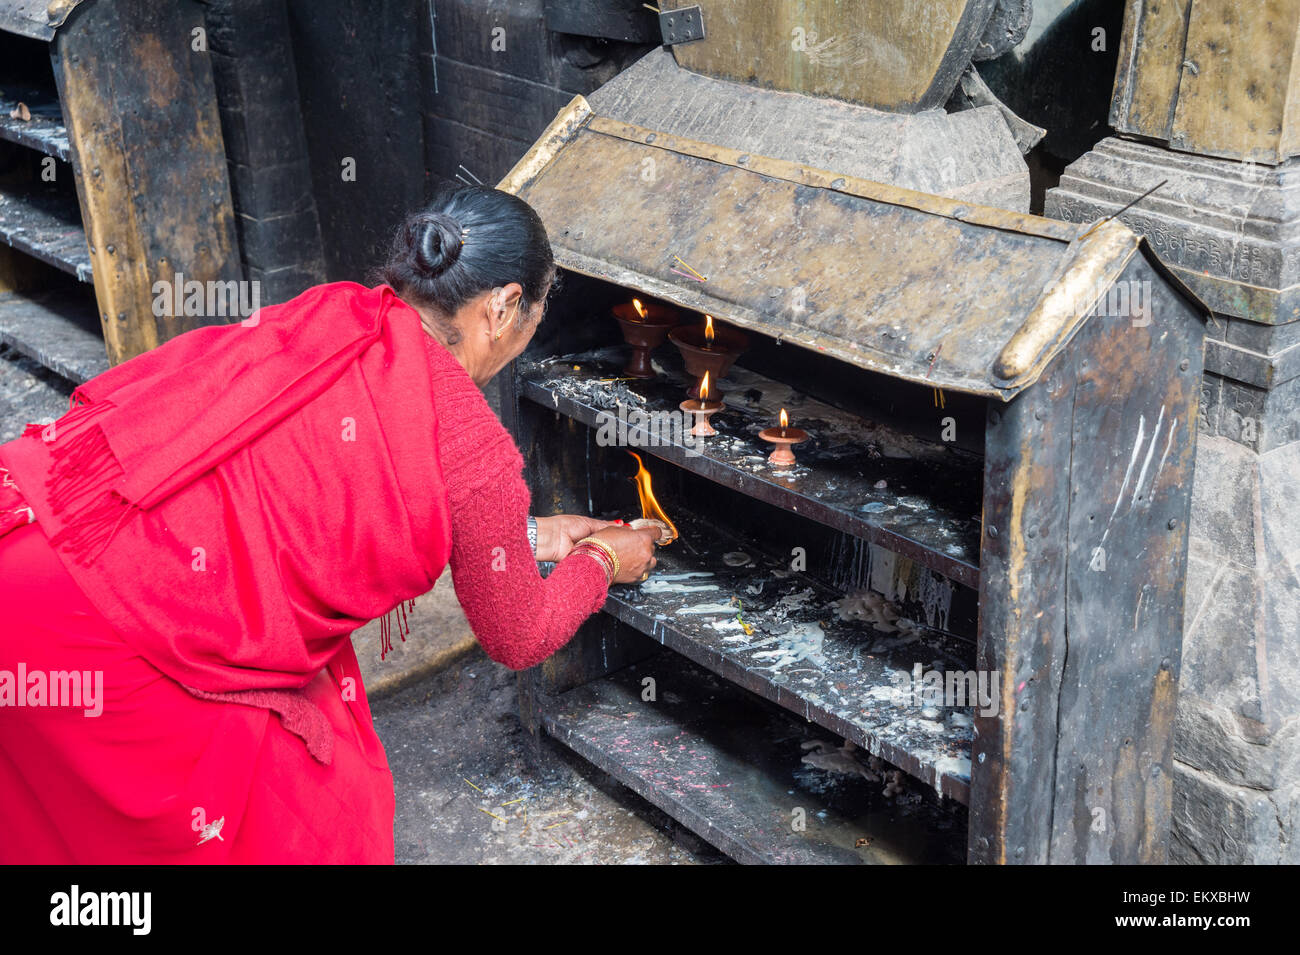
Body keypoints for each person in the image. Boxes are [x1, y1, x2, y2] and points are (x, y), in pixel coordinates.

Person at [0, 183, 660, 863]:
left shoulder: (335, 311)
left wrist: (528, 536)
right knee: (308, 814)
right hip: (107, 631)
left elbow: (317, 505)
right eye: (535, 319)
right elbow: (520, 634)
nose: (526, 340)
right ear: (502, 307)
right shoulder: (472, 446)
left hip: (36, 535)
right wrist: (606, 558)